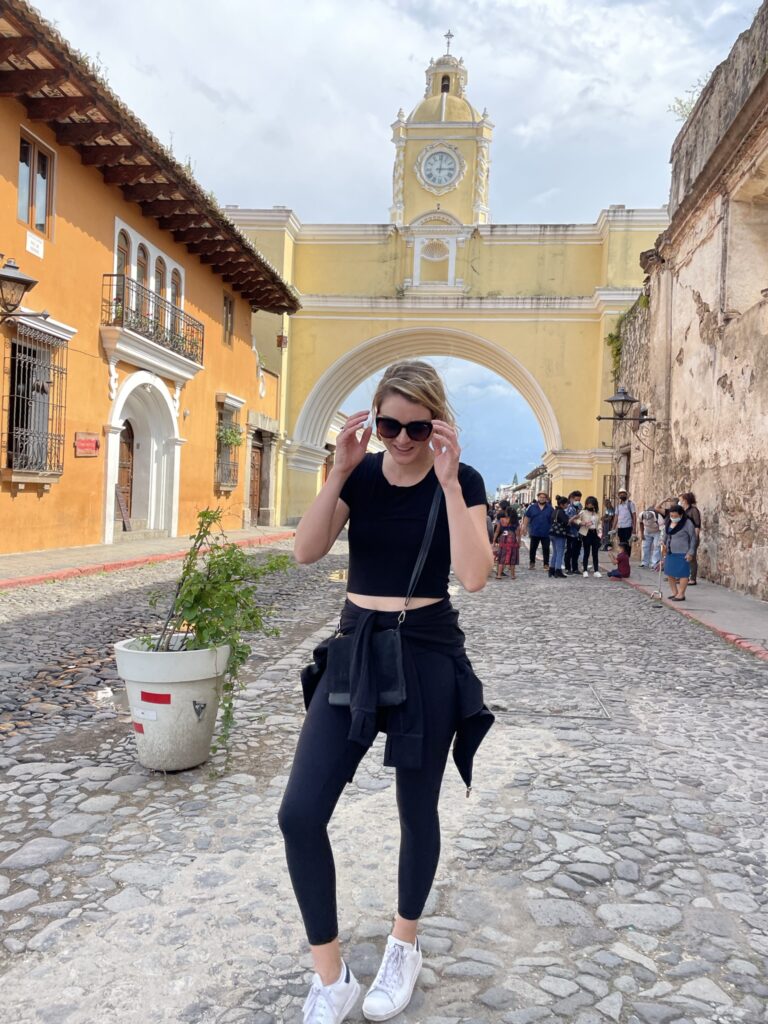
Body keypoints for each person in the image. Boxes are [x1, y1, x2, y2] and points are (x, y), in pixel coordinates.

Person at [281, 360, 494, 1024]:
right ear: (373, 422)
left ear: (438, 423)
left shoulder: (463, 482)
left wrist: (453, 487)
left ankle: (404, 944)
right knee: (299, 813)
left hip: (427, 648)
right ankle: (332, 974)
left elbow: (475, 575)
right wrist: (340, 471)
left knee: (415, 809)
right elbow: (306, 551)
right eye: (389, 425)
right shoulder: (362, 475)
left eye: (416, 425)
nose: (402, 439)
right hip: (355, 648)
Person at [661, 503, 697, 601]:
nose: (673, 517)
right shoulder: (668, 522)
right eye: (671, 515)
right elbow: (666, 534)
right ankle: (675, 593)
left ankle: (681, 594)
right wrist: (662, 543)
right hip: (670, 552)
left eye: (675, 516)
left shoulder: (687, 523)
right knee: (670, 573)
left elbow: (693, 538)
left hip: (683, 552)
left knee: (683, 574)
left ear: (681, 515)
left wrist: (691, 552)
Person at [523, 491, 554, 570]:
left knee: (546, 549)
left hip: (546, 532)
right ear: (538, 498)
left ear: (546, 499)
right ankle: (532, 563)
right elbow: (527, 517)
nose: (542, 499)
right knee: (533, 548)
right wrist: (524, 527)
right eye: (540, 497)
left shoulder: (550, 508)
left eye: (544, 497)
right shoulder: (532, 507)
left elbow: (553, 519)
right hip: (534, 531)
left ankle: (546, 564)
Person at [576, 496, 602, 577]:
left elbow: (599, 522)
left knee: (595, 552)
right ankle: (585, 570)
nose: (589, 506)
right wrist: (581, 523)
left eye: (591, 504)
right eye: (588, 504)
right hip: (586, 533)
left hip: (595, 533)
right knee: (586, 552)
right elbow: (576, 519)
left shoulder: (597, 513)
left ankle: (596, 570)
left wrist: (600, 529)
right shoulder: (583, 512)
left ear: (594, 504)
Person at [680, 492, 701, 585]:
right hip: (684, 537)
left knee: (692, 557)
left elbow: (697, 525)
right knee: (684, 557)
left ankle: (693, 578)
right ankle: (684, 576)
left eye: (682, 500)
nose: (681, 502)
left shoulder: (694, 510)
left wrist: (695, 538)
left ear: (686, 500)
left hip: (692, 536)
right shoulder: (684, 511)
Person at [493, 509, 519, 579]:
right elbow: (518, 534)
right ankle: (513, 575)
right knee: (512, 559)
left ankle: (499, 575)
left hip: (503, 540)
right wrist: (518, 542)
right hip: (512, 541)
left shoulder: (501, 520)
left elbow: (497, 531)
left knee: (501, 558)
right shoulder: (515, 522)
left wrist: (494, 540)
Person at [548, 495, 570, 578]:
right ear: (562, 504)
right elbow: (566, 522)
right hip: (559, 534)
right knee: (560, 552)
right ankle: (558, 570)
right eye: (566, 504)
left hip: (552, 533)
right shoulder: (561, 512)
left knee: (555, 552)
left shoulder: (555, 511)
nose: (567, 506)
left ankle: (551, 569)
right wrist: (572, 519)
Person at [612, 488, 637, 555]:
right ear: (619, 496)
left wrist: (634, 528)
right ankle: (623, 557)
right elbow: (616, 517)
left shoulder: (630, 504)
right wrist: (613, 528)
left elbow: (634, 516)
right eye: (620, 494)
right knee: (621, 543)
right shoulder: (618, 505)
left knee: (628, 543)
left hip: (628, 527)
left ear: (626, 495)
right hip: (620, 527)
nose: (622, 495)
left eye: (623, 493)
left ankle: (627, 558)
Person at [639, 503, 663, 570]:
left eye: (649, 519)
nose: (647, 521)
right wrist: (642, 534)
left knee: (656, 546)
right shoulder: (641, 515)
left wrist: (661, 538)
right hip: (647, 532)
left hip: (657, 532)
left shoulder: (658, 517)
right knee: (645, 546)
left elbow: (662, 528)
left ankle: (654, 564)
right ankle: (644, 563)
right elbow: (640, 523)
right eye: (646, 519)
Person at [564, 490, 583, 574]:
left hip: (579, 533)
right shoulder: (569, 508)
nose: (578, 502)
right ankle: (568, 568)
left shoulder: (580, 507)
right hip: (571, 533)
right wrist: (576, 518)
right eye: (576, 500)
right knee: (569, 551)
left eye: (579, 500)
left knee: (577, 551)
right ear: (571, 499)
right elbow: (568, 521)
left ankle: (575, 568)